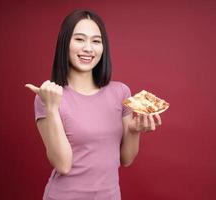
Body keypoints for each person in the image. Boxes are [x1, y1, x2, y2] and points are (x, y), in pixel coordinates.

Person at [25, 9, 162, 200]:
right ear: (65, 44)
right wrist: (52, 108)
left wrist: (133, 130)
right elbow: (63, 165)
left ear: (103, 47)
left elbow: (126, 159)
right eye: (80, 39)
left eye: (96, 41)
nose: (88, 48)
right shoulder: (48, 97)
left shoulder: (121, 93)